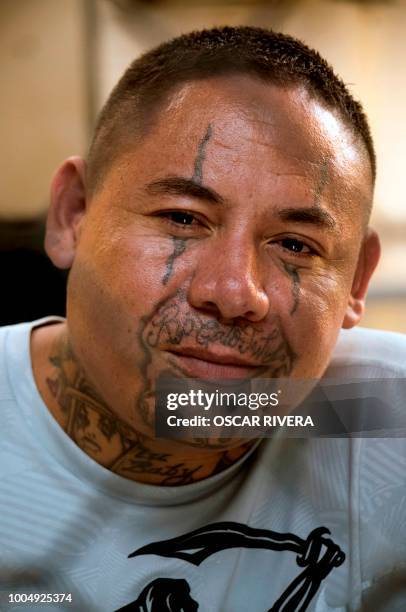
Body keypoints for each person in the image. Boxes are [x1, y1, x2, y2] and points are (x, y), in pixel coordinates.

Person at [0, 26, 405, 612]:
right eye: (183, 220)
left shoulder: (379, 421)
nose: (235, 293)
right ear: (72, 215)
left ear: (356, 282)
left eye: (294, 245)